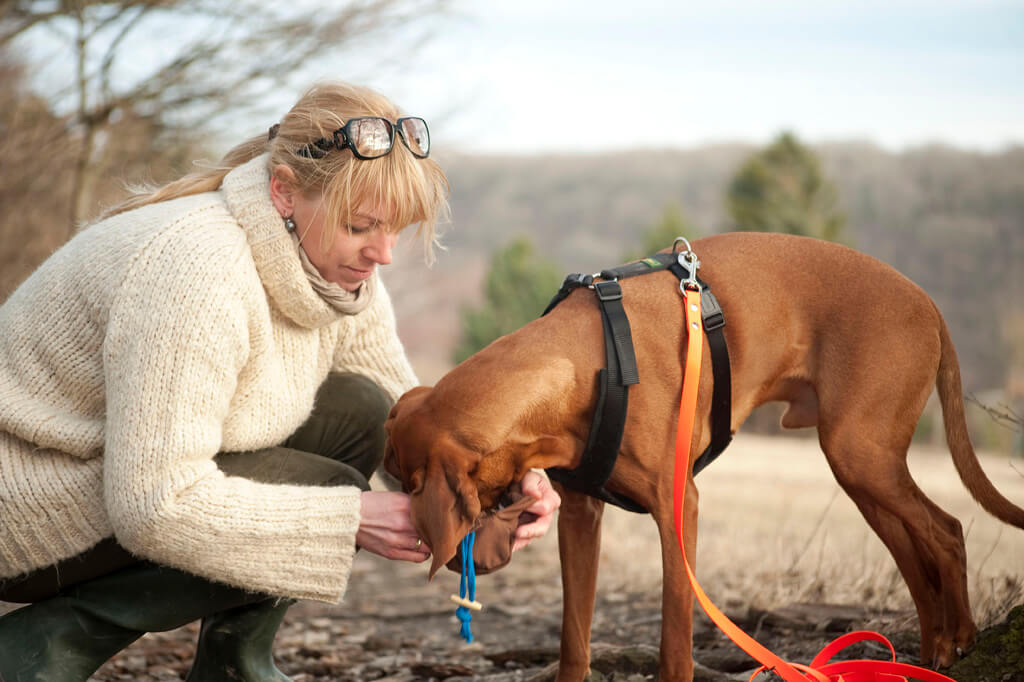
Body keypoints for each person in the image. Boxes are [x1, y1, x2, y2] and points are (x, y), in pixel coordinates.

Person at [0, 81, 561, 681]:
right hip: (27, 503)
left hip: (110, 475)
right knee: (328, 488)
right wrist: (349, 517)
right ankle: (38, 652)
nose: (384, 254)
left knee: (364, 410)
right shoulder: (197, 272)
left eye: (395, 228)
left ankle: (234, 664)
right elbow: (156, 504)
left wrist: (498, 478)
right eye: (361, 226)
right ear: (284, 191)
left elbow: (410, 418)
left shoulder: (332, 268)